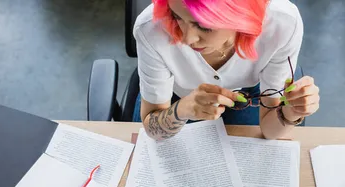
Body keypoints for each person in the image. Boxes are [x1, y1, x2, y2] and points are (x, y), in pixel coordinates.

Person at [133, 0, 320, 140]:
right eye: (177, 17)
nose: (187, 39)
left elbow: (271, 133)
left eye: (203, 26)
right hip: (176, 97)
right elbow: (152, 128)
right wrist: (181, 110)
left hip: (248, 93)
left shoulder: (282, 24)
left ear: (241, 16)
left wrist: (292, 112)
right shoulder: (150, 28)